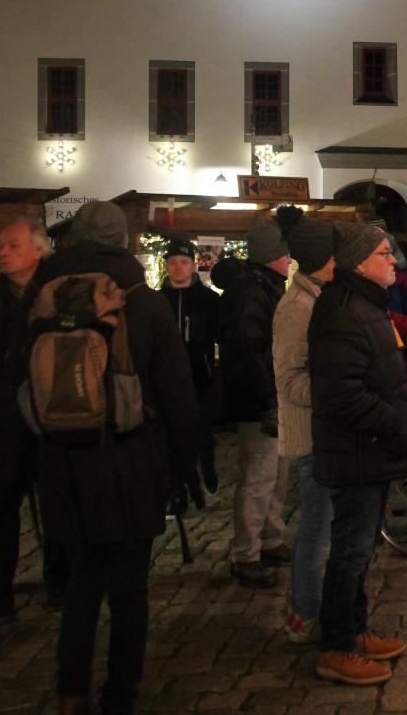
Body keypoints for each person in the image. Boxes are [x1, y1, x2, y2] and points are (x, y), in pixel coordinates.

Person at [31, 202, 202, 715]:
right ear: (124, 243)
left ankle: (71, 692)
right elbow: (176, 393)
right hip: (129, 461)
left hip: (63, 462)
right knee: (129, 589)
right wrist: (188, 461)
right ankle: (120, 694)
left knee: (82, 582)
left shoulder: (42, 302)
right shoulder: (142, 304)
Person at [309, 224, 407, 686]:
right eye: (383, 252)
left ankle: (354, 630)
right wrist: (394, 421)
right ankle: (336, 645)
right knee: (350, 552)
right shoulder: (344, 310)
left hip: (369, 451)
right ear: (358, 262)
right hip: (356, 451)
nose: (392, 258)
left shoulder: (367, 305)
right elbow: (342, 395)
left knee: (360, 550)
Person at [0, 218, 68, 623]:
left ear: (37, 249)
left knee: (56, 504)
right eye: (0, 246)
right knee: (1, 508)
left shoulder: (55, 291)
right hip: (3, 420)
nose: (3, 252)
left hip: (48, 415)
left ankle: (62, 586)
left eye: (13, 245)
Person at [212, 221, 292, 589]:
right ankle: (246, 553)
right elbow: (249, 353)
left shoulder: (264, 287)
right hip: (258, 399)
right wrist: (266, 402)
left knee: (277, 473)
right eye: (284, 252)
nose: (290, 258)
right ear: (271, 256)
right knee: (259, 476)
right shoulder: (250, 293)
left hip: (270, 395)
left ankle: (270, 539)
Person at [271, 207, 338, 645]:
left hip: (328, 429)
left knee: (326, 527)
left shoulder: (319, 295)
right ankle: (302, 609)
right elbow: (291, 380)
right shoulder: (296, 307)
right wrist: (340, 383)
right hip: (312, 434)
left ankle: (313, 605)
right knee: (317, 527)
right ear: (320, 258)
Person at [158, 238, 221, 495]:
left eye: (183, 262)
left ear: (193, 265)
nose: (178, 267)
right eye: (173, 262)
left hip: (199, 376)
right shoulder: (159, 300)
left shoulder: (208, 299)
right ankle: (179, 486)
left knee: (203, 430)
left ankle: (207, 470)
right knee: (172, 434)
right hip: (168, 380)